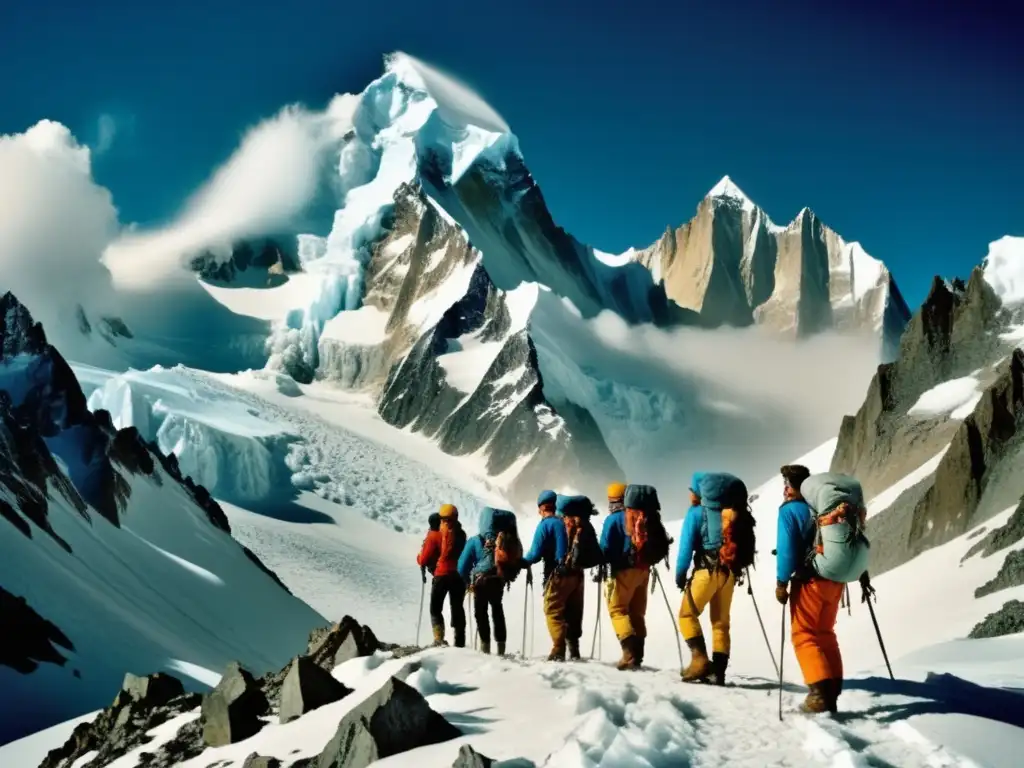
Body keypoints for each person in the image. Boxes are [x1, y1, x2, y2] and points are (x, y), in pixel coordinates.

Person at [775, 465, 868, 714]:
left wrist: (781, 582)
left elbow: (787, 551)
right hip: (835, 580)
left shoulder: (790, 511)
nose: (784, 489)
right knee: (825, 633)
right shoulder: (820, 506)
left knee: (804, 635)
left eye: (786, 484)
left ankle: (819, 696)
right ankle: (832, 692)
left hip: (810, 581)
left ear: (790, 486)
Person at [674, 472, 755, 685]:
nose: (690, 493)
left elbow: (685, 548)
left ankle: (699, 660)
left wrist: (680, 574)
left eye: (692, 489)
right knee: (720, 623)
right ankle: (718, 672)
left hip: (705, 572)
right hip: (728, 574)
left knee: (686, 615)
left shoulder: (696, 513)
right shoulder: (732, 512)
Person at [600, 483, 668, 670]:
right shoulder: (645, 517)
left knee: (618, 610)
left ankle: (628, 653)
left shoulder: (613, 520)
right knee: (637, 613)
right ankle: (638, 655)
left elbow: (604, 548)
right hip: (644, 570)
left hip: (622, 572)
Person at [458, 506, 522, 655]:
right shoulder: (507, 540)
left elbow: (462, 567)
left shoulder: (476, 540)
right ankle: (501, 649)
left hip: (480, 581)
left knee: (481, 613)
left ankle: (485, 648)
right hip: (498, 580)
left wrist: (468, 582)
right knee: (497, 610)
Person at [521, 490, 572, 660]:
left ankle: (559, 649)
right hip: (573, 574)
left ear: (541, 508)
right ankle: (573, 650)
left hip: (555, 573)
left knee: (552, 610)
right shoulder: (564, 522)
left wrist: (522, 562)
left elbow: (535, 553)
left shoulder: (546, 525)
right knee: (569, 610)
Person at [417, 504, 467, 647]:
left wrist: (418, 558)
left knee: (435, 608)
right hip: (458, 576)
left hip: (441, 575)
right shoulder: (461, 534)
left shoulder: (434, 534)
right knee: (457, 607)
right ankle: (460, 642)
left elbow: (424, 559)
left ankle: (439, 640)